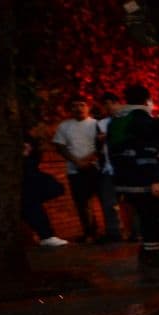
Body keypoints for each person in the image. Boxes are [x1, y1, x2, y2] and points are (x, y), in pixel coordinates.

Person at [107, 84, 159, 267]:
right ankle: (152, 256)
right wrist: (156, 179)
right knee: (152, 218)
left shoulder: (116, 121)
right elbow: (147, 152)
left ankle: (147, 252)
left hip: (123, 178)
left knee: (142, 217)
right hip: (144, 181)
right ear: (147, 100)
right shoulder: (143, 120)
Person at [52, 95, 101, 242]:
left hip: (96, 168)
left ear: (88, 107)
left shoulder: (96, 124)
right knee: (81, 202)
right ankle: (89, 232)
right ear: (71, 109)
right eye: (75, 105)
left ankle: (108, 232)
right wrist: (76, 161)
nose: (79, 108)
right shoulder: (64, 126)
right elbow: (60, 146)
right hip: (75, 170)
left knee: (103, 201)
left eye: (82, 105)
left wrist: (87, 160)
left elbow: (101, 145)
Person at [22, 136, 69, 247]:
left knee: (32, 203)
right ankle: (45, 235)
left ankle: (45, 235)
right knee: (31, 204)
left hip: (29, 183)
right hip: (25, 184)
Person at [95, 91, 124, 242]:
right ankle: (113, 232)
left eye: (108, 104)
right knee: (108, 201)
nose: (107, 108)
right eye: (104, 105)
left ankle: (135, 232)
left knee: (129, 201)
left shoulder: (126, 120)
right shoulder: (101, 123)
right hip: (108, 167)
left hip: (125, 167)